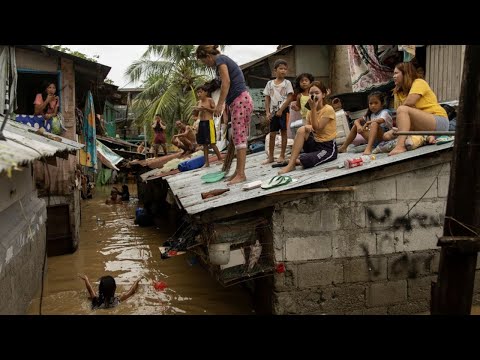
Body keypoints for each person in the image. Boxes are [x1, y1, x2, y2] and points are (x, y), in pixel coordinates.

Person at [196, 45, 254, 185]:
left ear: (209, 57)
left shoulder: (221, 60)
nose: (206, 65)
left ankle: (241, 174)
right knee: (236, 136)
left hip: (240, 100)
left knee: (239, 137)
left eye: (205, 62)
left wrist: (220, 104)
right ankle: (237, 172)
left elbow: (226, 82)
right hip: (237, 101)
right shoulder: (220, 62)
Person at [387, 62, 449, 156]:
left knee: (403, 109)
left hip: (438, 120)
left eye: (396, 73)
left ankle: (400, 146)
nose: (393, 76)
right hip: (422, 126)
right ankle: (425, 138)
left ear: (406, 73)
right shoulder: (398, 93)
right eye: (393, 73)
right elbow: (399, 116)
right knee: (387, 134)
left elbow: (409, 103)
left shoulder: (419, 82)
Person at [278, 81, 337, 175]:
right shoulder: (310, 111)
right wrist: (308, 124)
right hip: (315, 143)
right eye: (311, 93)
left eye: (317, 93)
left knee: (305, 159)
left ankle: (297, 160)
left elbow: (317, 128)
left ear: (324, 95)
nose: (314, 95)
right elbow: (308, 127)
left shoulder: (328, 109)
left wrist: (313, 108)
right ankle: (291, 164)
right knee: (301, 130)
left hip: (327, 147)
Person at [262, 59, 294, 165]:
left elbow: (290, 97)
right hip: (273, 112)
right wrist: (267, 112)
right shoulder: (270, 84)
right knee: (272, 134)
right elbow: (267, 98)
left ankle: (282, 155)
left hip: (284, 112)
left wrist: (281, 110)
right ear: (275, 70)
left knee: (284, 133)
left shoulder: (287, 83)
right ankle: (270, 157)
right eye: (281, 68)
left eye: (285, 69)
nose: (283, 71)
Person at [194, 85, 223, 167]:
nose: (199, 94)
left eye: (201, 92)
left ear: (206, 92)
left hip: (209, 122)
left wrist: (206, 109)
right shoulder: (198, 103)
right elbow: (195, 116)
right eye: (198, 92)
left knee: (212, 143)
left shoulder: (210, 100)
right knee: (204, 144)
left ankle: (220, 158)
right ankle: (207, 163)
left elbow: (215, 111)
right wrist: (196, 114)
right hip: (202, 123)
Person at [290, 73, 315, 137]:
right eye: (302, 81)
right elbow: (299, 107)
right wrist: (295, 108)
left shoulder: (314, 94)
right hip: (305, 118)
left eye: (306, 81)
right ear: (299, 84)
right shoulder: (299, 95)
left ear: (310, 82)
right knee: (308, 134)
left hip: (315, 116)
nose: (304, 82)